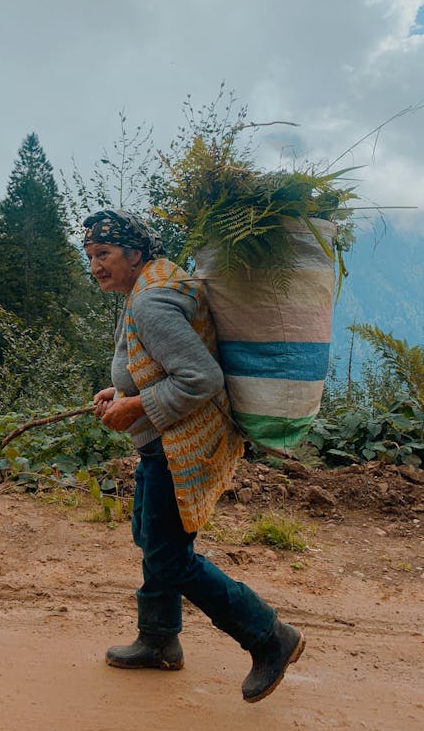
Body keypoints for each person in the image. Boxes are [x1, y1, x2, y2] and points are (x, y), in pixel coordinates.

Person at [83, 208, 305, 703]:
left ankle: (269, 636)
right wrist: (119, 390)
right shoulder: (148, 286)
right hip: (166, 440)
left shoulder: (152, 302)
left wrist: (137, 404)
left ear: (135, 253)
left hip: (178, 444)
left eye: (105, 254)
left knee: (168, 554)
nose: (96, 265)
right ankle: (159, 639)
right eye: (91, 256)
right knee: (150, 535)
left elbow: (201, 378)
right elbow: (157, 362)